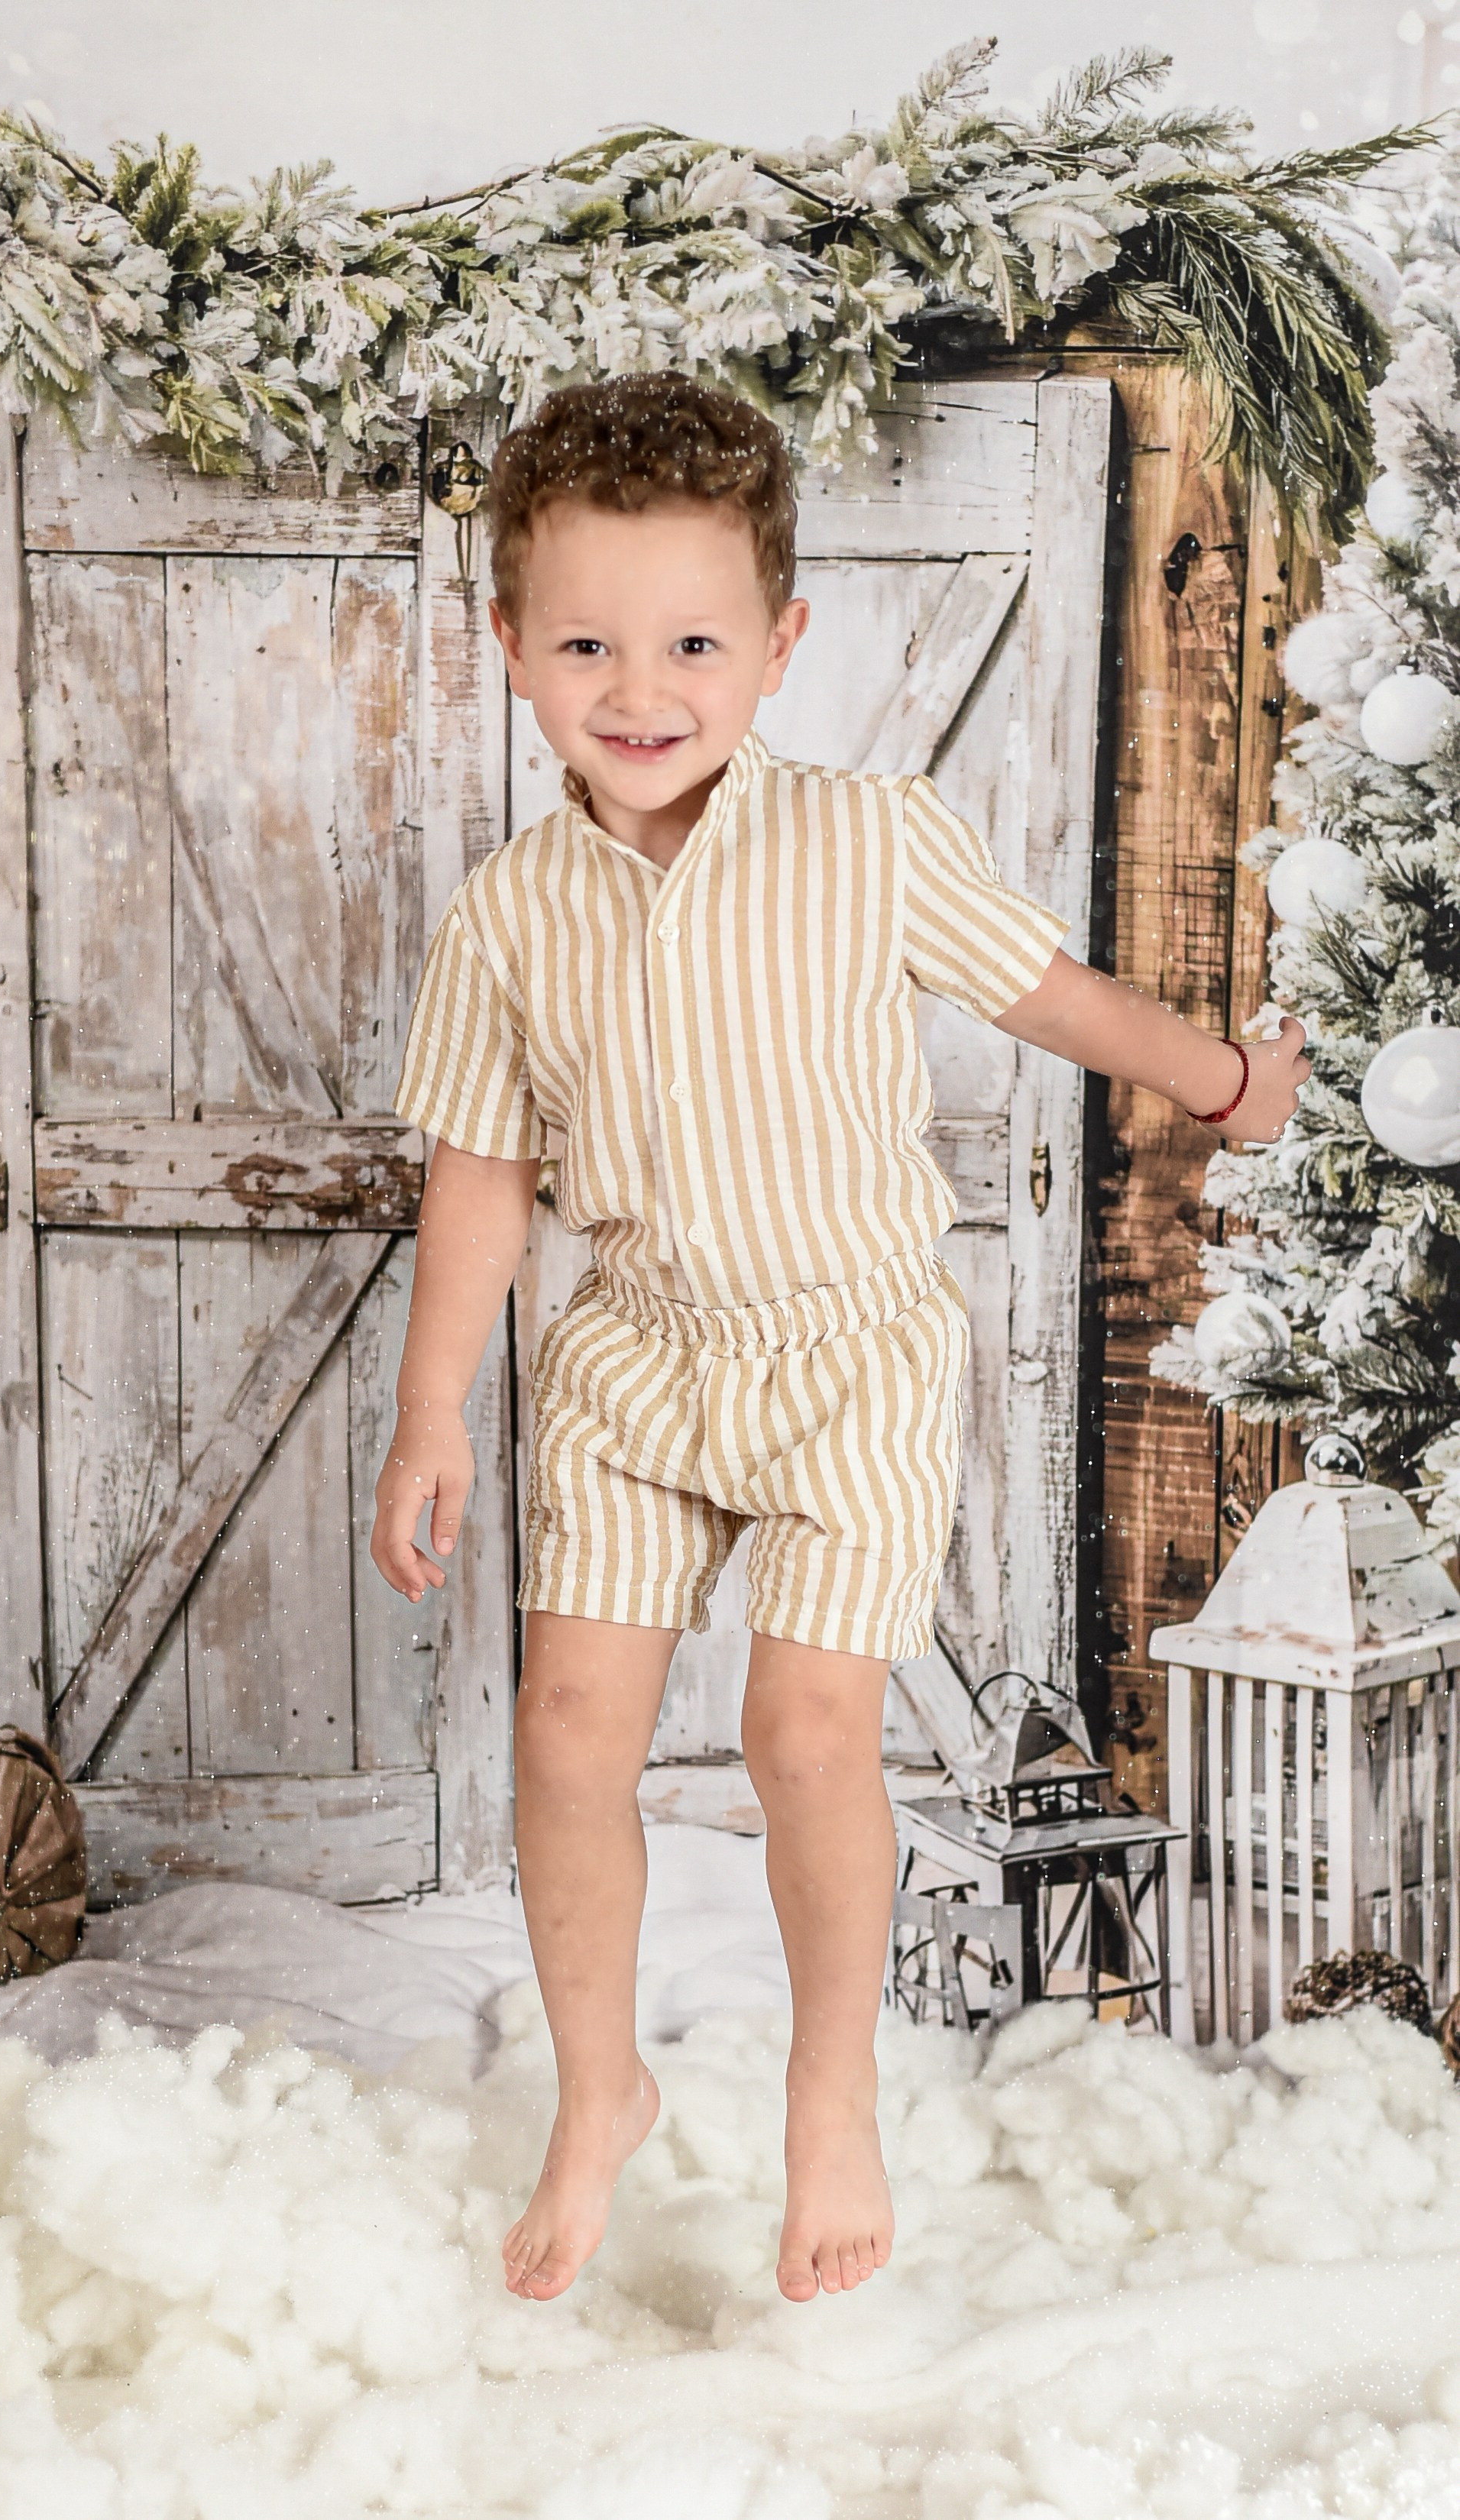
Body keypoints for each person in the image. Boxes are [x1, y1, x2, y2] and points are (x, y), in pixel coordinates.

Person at [369, 375, 1307, 2308]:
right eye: (587, 643)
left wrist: (1222, 1079)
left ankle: (827, 2090)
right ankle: (593, 2088)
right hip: (631, 1363)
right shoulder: (508, 914)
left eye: (694, 641)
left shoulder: (863, 836)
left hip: (846, 1358)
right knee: (566, 1737)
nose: (642, 687)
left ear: (780, 643)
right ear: (509, 652)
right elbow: (480, 1174)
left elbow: (1051, 998)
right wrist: (428, 1411)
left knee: (807, 1731)